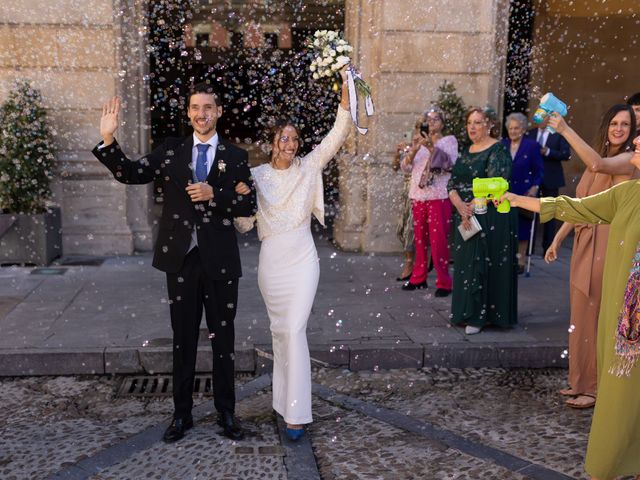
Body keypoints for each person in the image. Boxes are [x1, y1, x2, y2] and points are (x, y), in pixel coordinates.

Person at [94, 85, 256, 443]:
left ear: (219, 111)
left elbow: (248, 206)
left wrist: (217, 194)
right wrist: (109, 139)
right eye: (195, 108)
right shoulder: (171, 152)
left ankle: (226, 413)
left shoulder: (236, 155)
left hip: (221, 262)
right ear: (188, 113)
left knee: (223, 340)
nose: (202, 113)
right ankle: (181, 414)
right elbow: (132, 173)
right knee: (183, 340)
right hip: (181, 260)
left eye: (208, 107)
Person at [501, 134, 640, 480]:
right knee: (622, 396)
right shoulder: (626, 195)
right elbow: (573, 207)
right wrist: (518, 199)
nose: (635, 143)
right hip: (627, 325)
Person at [234, 69, 351, 440]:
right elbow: (243, 225)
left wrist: (345, 100)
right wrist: (238, 199)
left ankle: (297, 414)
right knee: (279, 332)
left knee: (295, 329)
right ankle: (281, 402)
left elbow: (336, 137)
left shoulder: (309, 167)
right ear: (272, 142)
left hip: (302, 257)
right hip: (272, 262)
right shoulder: (254, 176)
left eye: (295, 138)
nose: (290, 143)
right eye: (284, 137)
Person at [544, 104, 637, 409]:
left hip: (610, 243)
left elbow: (597, 166)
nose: (619, 129)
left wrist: (565, 129)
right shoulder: (600, 158)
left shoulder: (627, 161)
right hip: (586, 241)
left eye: (625, 124)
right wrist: (558, 238)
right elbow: (582, 204)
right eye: (614, 123)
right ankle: (579, 380)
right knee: (581, 313)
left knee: (599, 315)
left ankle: (596, 387)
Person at [447, 107, 518, 335]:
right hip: (465, 214)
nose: (472, 127)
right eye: (470, 122)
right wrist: (459, 204)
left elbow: (498, 183)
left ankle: (481, 317)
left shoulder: (498, 150)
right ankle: (465, 312)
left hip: (491, 217)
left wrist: (473, 207)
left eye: (478, 122)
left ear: (489, 124)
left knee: (483, 263)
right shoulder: (466, 150)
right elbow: (453, 182)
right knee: (466, 263)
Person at [400, 108, 457, 296]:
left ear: (443, 122)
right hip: (418, 196)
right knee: (420, 240)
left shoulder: (449, 141)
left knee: (438, 241)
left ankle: (443, 282)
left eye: (435, 119)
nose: (431, 122)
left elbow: (448, 165)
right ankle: (418, 277)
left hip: (438, 197)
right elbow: (406, 167)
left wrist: (432, 147)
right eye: (428, 119)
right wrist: (415, 148)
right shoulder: (419, 142)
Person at [501, 112, 543, 273]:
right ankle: (507, 258)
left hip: (525, 192)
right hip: (505, 192)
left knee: (523, 227)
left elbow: (539, 171)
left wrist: (534, 188)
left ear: (523, 128)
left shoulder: (532, 146)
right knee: (506, 226)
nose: (513, 131)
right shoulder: (502, 144)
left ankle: (520, 260)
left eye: (516, 128)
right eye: (510, 128)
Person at [525, 114, 571, 252]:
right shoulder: (530, 133)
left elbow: (566, 154)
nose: (539, 120)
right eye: (537, 118)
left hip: (551, 178)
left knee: (549, 213)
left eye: (542, 118)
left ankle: (548, 247)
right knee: (530, 212)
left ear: (548, 119)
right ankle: (528, 249)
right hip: (533, 180)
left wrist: (549, 151)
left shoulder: (557, 134)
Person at [393, 136, 415, 282]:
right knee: (400, 230)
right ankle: (427, 257)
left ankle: (409, 264)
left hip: (418, 193)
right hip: (406, 193)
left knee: (410, 230)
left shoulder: (423, 149)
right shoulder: (410, 148)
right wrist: (397, 153)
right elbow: (395, 167)